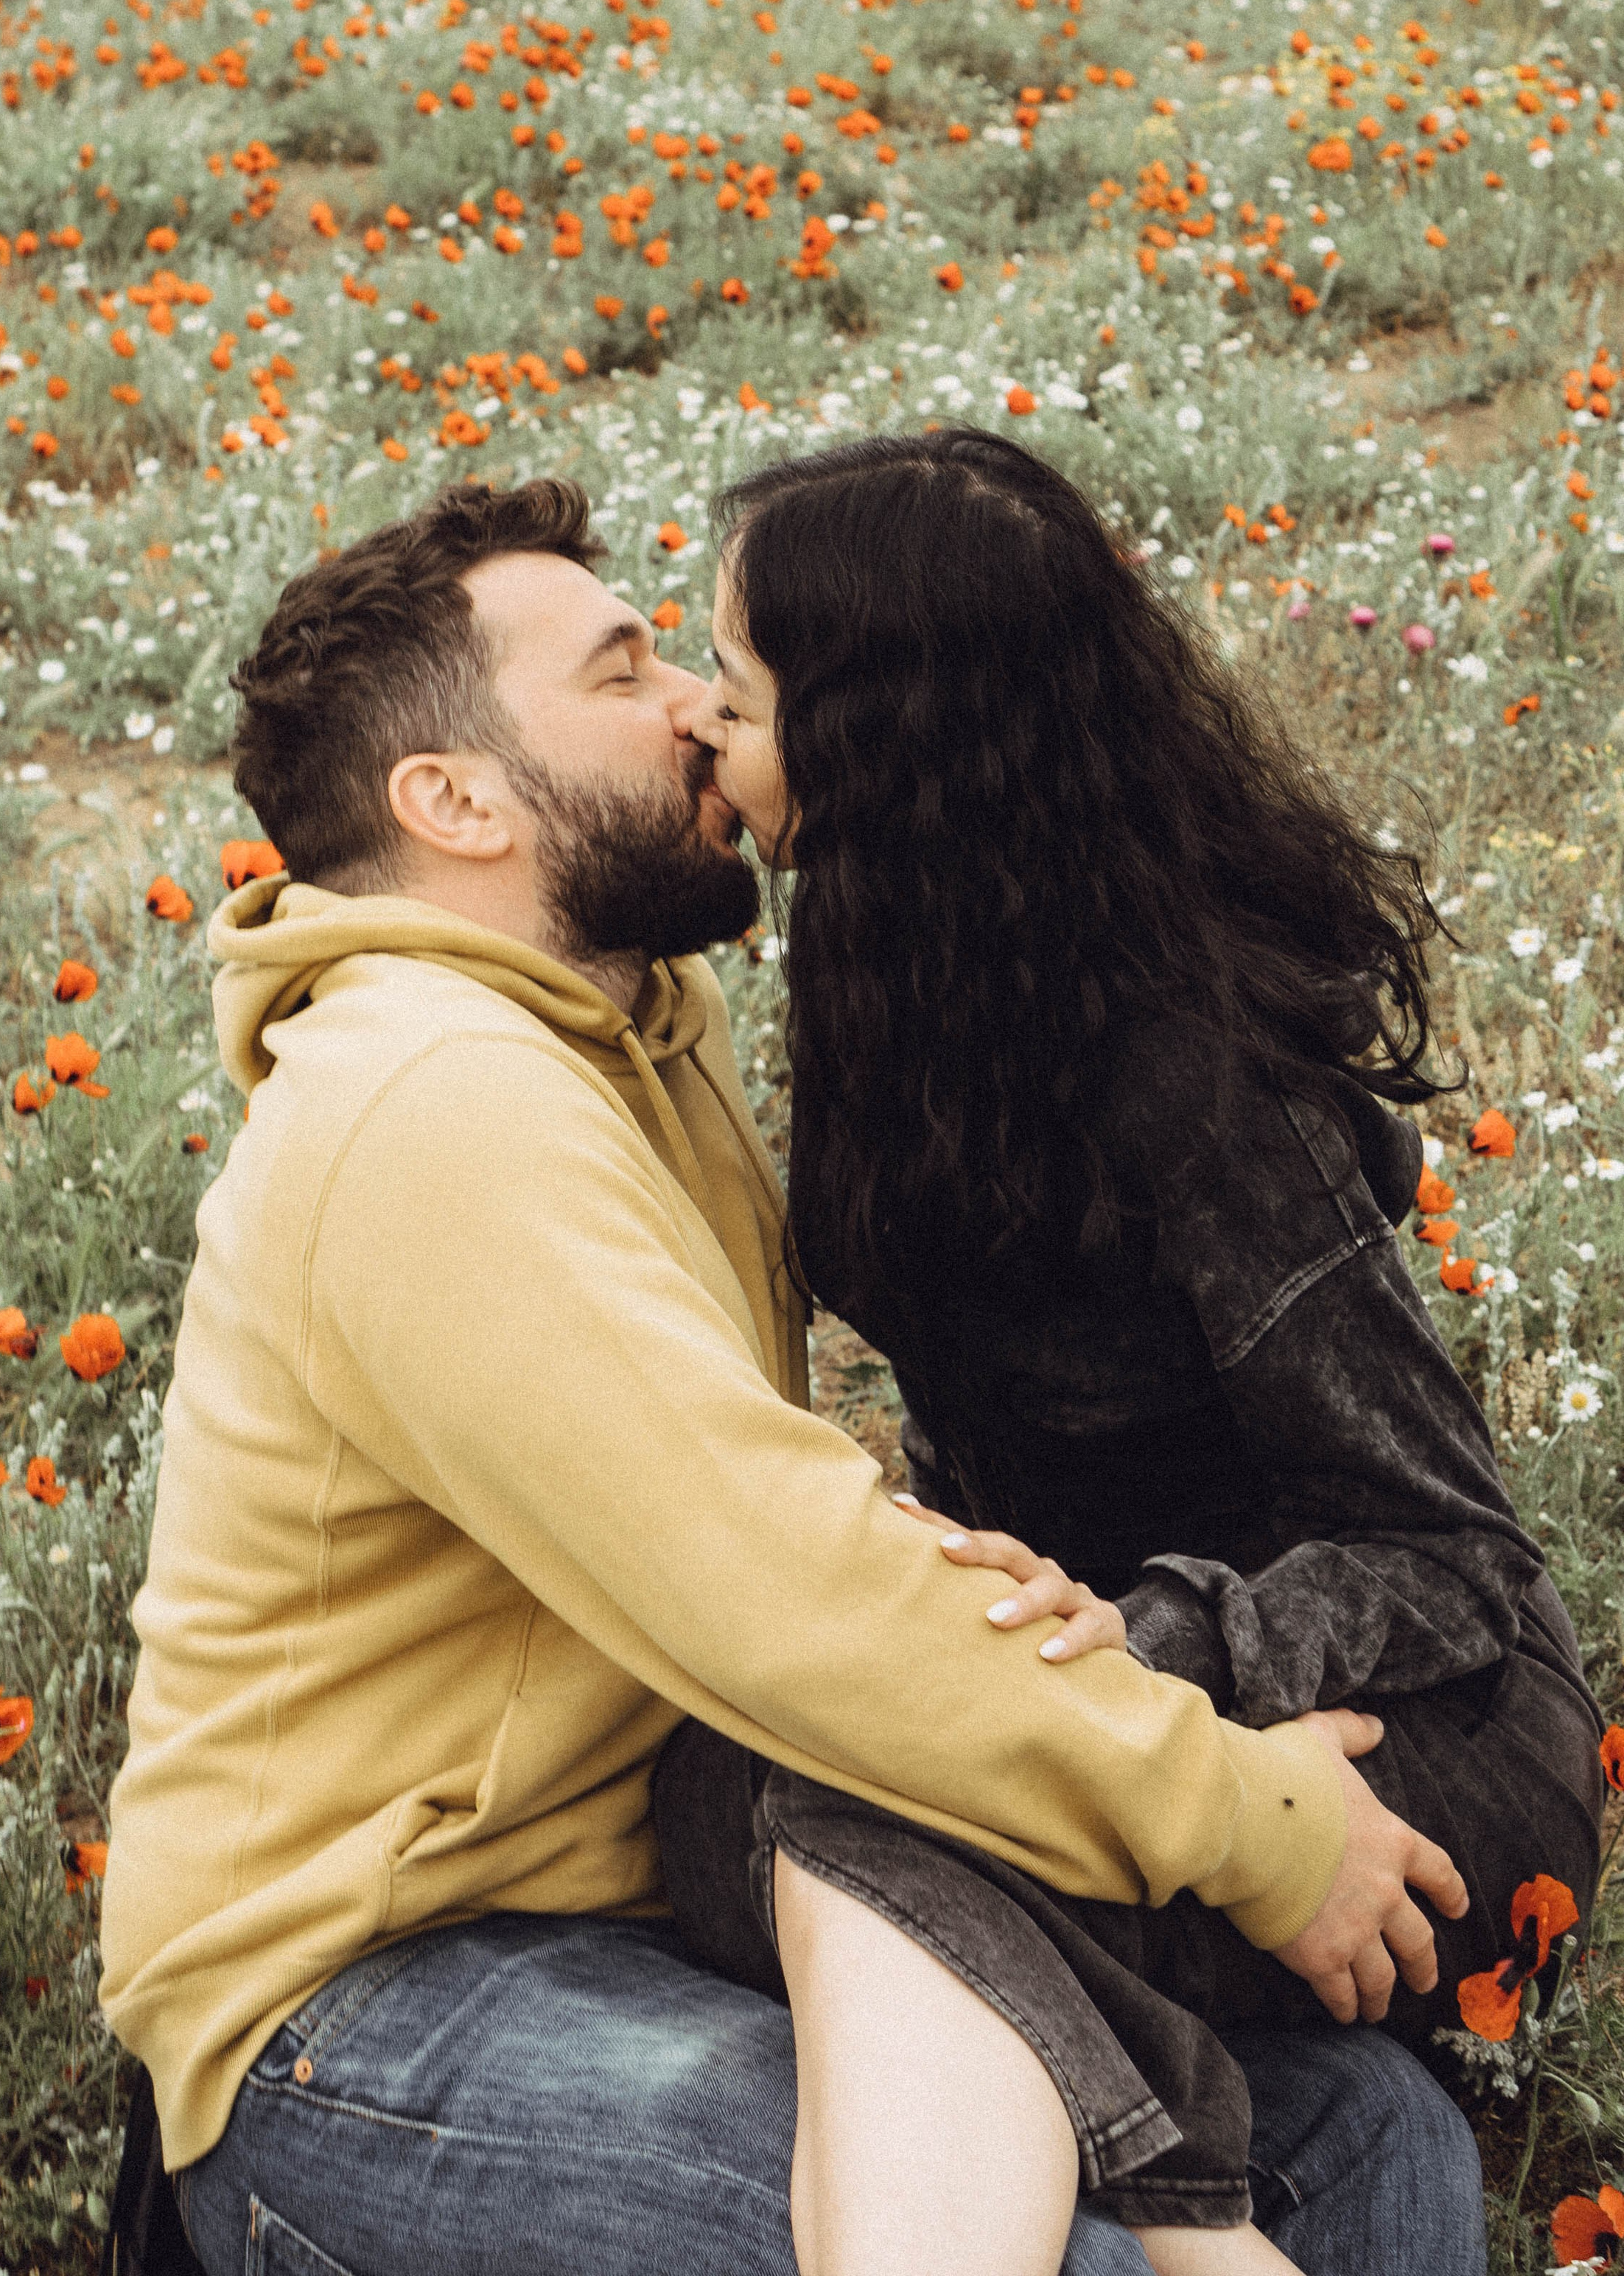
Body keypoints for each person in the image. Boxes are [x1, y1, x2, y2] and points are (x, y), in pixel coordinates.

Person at [98, 475, 1485, 2276]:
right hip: (364, 2010)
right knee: (1038, 2250)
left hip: (645, 1905)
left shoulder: (622, 1041)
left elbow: (769, 1530)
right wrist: (1238, 1814)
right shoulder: (425, 1104)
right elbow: (779, 1584)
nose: (695, 702)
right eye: (618, 672)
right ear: (449, 801)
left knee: (1368, 2140)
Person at [676, 423, 1602, 2258]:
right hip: (1099, 1710)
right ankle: (1191, 2189)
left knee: (811, 1837)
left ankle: (1176, 2211)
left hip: (1392, 1742)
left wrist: (1162, 1634)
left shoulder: (1194, 1084)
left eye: (732, 684)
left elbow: (1455, 1560)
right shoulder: (897, 985)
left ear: (884, 752)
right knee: (717, 1798)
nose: (701, 727)